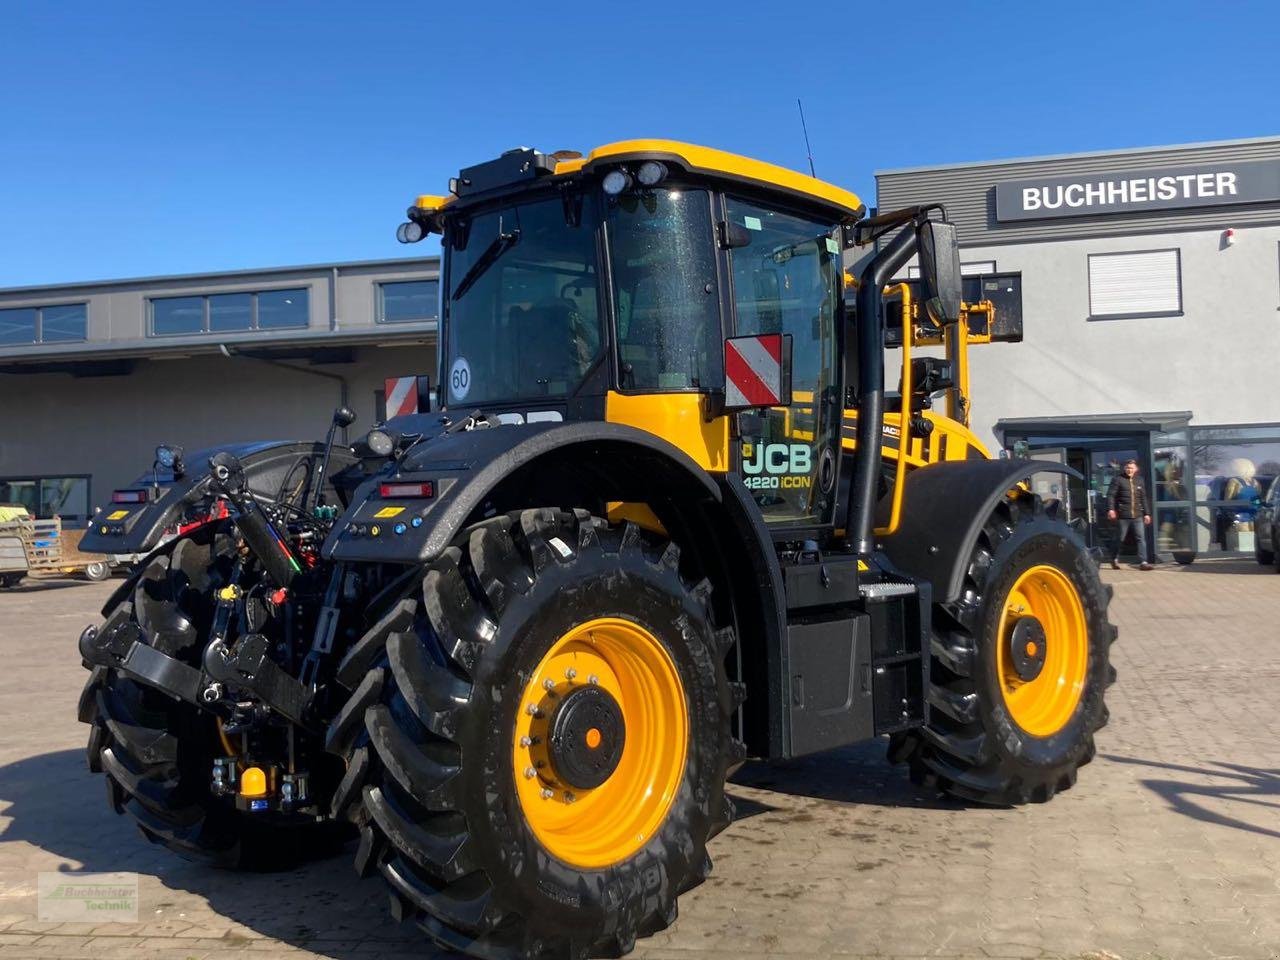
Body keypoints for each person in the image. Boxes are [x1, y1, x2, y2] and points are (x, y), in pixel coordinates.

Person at [1107, 458, 1153, 570]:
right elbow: (1111, 495)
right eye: (1127, 468)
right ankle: (1114, 559)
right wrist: (1111, 509)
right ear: (1124, 468)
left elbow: (1143, 498)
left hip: (1138, 515)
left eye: (1131, 468)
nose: (1129, 470)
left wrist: (1147, 514)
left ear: (1136, 469)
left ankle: (1143, 562)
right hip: (1123, 515)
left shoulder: (1139, 480)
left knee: (1141, 538)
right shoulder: (1118, 479)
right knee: (1120, 539)